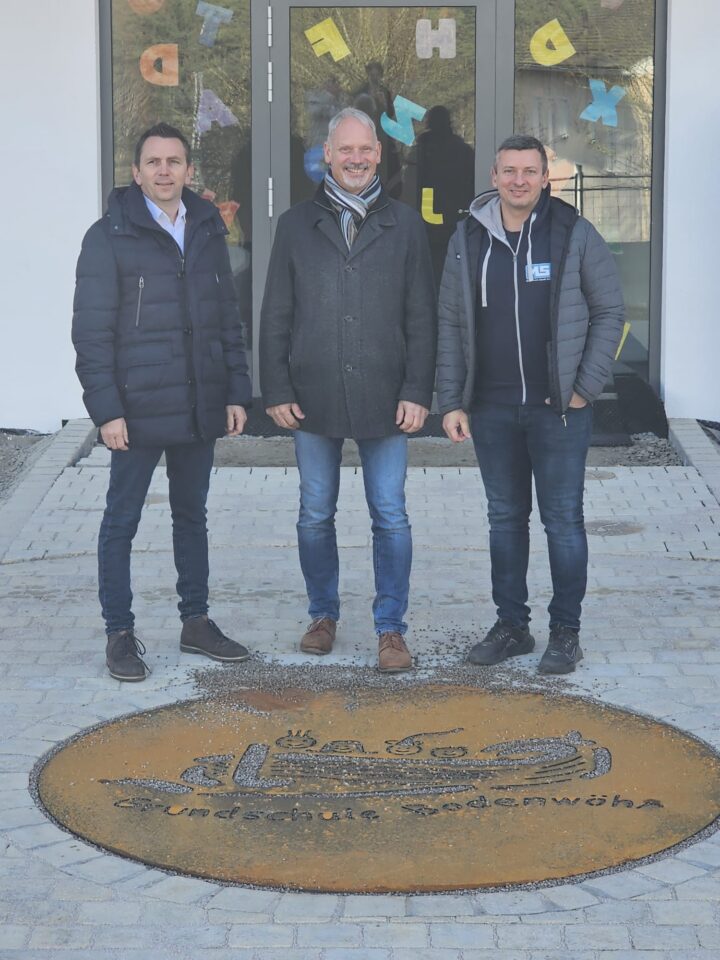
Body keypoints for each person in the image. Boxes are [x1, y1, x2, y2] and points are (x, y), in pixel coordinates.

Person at [437, 134, 624, 674]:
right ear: (493, 177)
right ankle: (512, 627)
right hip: (491, 409)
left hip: (559, 409)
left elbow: (609, 310)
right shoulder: (467, 238)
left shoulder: (573, 233)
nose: (519, 180)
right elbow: (451, 321)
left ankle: (565, 632)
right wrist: (451, 400)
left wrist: (585, 386)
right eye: (509, 171)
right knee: (504, 520)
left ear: (546, 177)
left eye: (530, 171)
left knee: (563, 521)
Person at [72, 122, 252, 682]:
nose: (165, 171)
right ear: (136, 171)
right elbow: (91, 332)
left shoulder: (206, 227)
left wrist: (235, 392)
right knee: (121, 521)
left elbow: (227, 317)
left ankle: (195, 621)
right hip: (136, 409)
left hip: (199, 401)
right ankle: (119, 633)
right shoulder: (108, 235)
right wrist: (106, 411)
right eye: (154, 162)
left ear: (189, 170)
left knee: (191, 516)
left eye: (174, 161)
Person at [259, 107, 436, 673]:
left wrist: (418, 389)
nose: (356, 159)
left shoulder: (406, 225)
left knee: (391, 514)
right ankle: (322, 615)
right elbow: (275, 315)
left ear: (379, 154)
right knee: (315, 513)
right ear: (327, 155)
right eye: (345, 150)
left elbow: (422, 318)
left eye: (366, 150)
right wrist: (276, 387)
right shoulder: (294, 226)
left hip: (388, 394)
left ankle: (391, 629)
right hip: (312, 393)